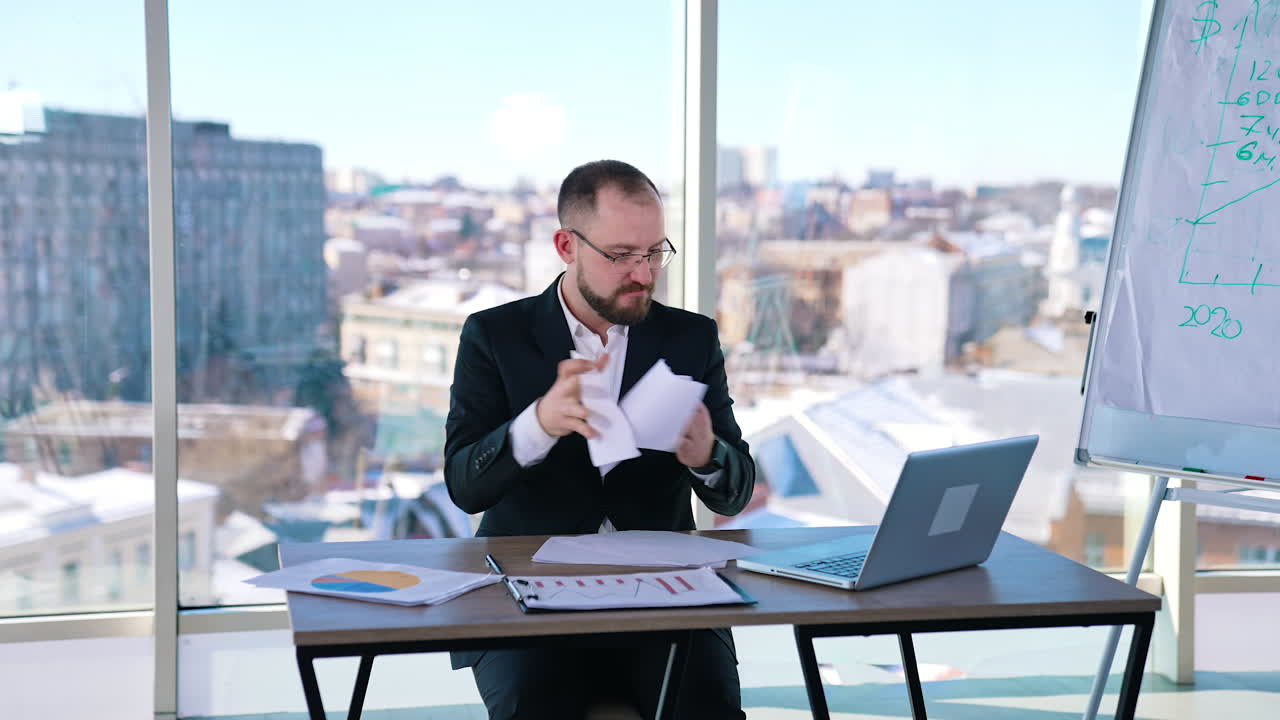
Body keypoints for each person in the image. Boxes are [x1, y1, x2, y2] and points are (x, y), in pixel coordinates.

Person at [444, 159, 755, 719]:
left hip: (665, 592)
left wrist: (707, 455)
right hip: (528, 588)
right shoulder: (495, 336)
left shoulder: (691, 337)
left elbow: (732, 493)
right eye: (620, 256)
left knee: (707, 706)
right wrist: (535, 424)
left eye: (654, 252)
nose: (643, 273)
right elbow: (465, 485)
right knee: (533, 707)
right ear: (567, 245)